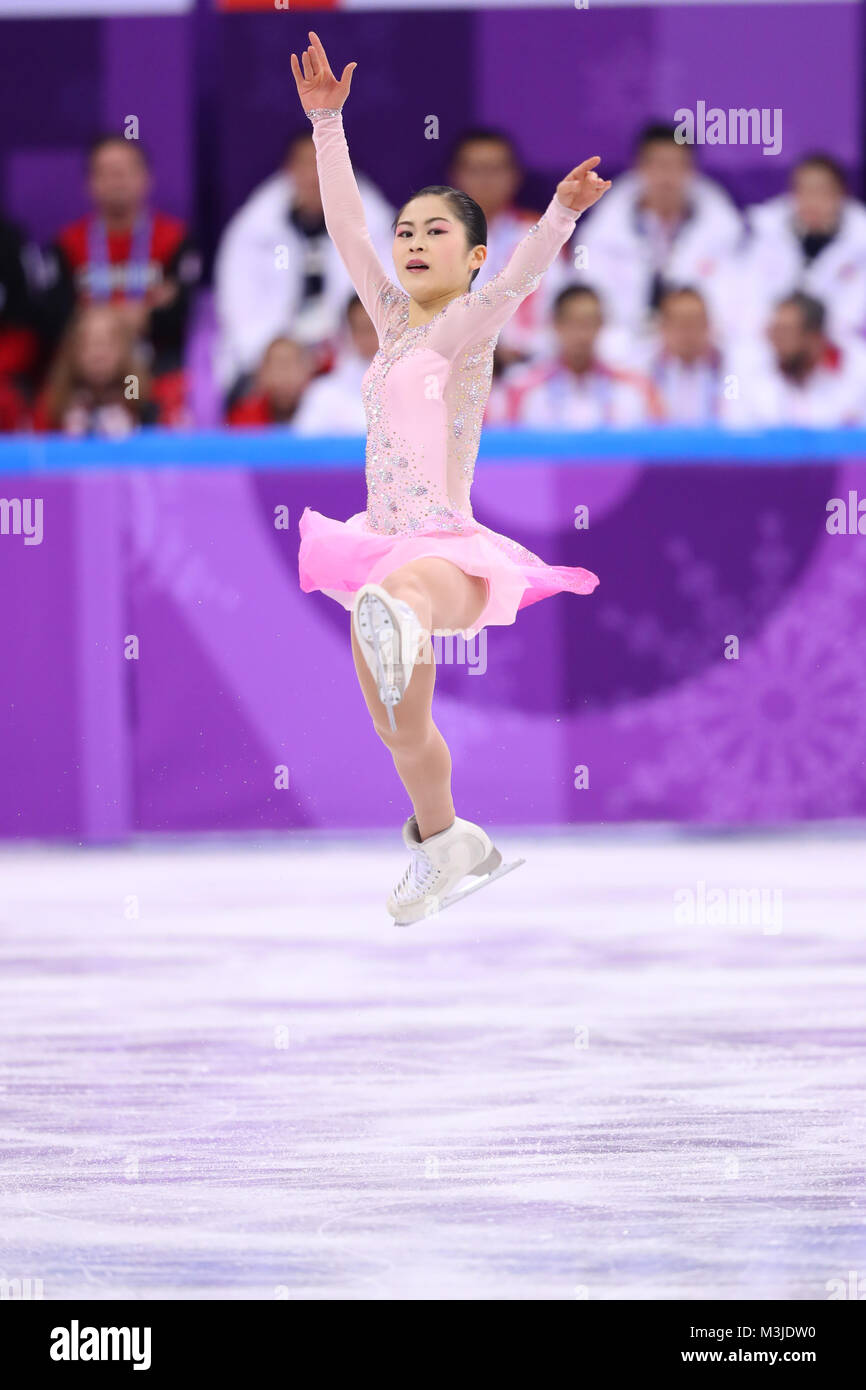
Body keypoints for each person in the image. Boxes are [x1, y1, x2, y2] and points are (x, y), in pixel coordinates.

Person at [291, 31, 606, 926]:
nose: (413, 241)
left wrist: (559, 216)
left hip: (446, 556)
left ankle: (402, 621)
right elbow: (347, 224)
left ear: (470, 256)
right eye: (409, 230)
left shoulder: (465, 327)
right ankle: (448, 840)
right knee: (400, 727)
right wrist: (327, 124)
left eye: (438, 231)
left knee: (404, 599)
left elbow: (518, 279)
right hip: (381, 548)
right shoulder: (391, 320)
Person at [214, 129, 394, 401]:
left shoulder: (377, 227)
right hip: (275, 359)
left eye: (327, 163)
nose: (316, 175)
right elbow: (239, 310)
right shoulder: (253, 232)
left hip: (351, 355)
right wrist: (278, 357)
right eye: (307, 164)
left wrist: (347, 355)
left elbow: (390, 303)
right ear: (289, 171)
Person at [573, 122, 742, 364]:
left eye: (675, 166)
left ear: (691, 170)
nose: (666, 177)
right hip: (619, 354)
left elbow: (732, 310)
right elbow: (588, 306)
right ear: (639, 168)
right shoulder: (601, 235)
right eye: (658, 165)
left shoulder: (724, 234)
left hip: (697, 353)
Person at [40, 136, 201, 381]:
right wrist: (138, 313)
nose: (116, 181)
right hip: (85, 368)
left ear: (146, 178)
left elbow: (181, 315)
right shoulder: (65, 245)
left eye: (125, 172)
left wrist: (93, 313)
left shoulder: (176, 241)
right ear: (89, 183)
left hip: (158, 366)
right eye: (106, 173)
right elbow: (54, 318)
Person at [448, 129, 570, 370]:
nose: (486, 181)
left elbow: (563, 312)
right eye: (476, 170)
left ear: (514, 176)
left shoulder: (541, 234)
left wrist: (521, 348)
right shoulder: (432, 236)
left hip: (527, 367)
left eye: (495, 170)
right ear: (456, 176)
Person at [721, 154, 866, 348]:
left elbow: (853, 317)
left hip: (841, 355)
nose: (812, 200)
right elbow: (747, 305)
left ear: (841, 194)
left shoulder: (860, 244)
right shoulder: (764, 238)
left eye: (821, 191)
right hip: (771, 350)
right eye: (804, 190)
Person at [490, 285, 661, 428]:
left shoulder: (635, 389)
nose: (582, 334)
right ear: (556, 325)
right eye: (573, 323)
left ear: (601, 324)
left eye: (589, 323)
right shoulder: (522, 391)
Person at [722, 291, 866, 428]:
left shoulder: (855, 374)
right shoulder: (752, 374)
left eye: (785, 331)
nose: (775, 340)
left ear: (814, 337)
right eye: (774, 330)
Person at [33, 302, 158, 436]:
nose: (98, 354)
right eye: (89, 344)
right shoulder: (54, 399)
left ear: (125, 349)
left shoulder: (135, 388)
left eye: (108, 344)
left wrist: (132, 428)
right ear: (73, 350)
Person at [294, 294, 377, 435]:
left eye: (377, 327)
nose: (372, 336)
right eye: (364, 328)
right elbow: (304, 448)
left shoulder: (416, 387)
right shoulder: (323, 394)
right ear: (350, 332)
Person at [643, 287, 724, 425]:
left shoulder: (729, 373)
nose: (687, 331)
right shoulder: (644, 372)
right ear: (663, 328)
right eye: (680, 323)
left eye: (694, 323)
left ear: (708, 326)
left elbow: (735, 421)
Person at [226, 336, 314, 427]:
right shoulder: (243, 420)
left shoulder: (323, 416)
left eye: (291, 366)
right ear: (261, 374)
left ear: (307, 371)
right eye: (277, 367)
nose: (284, 377)